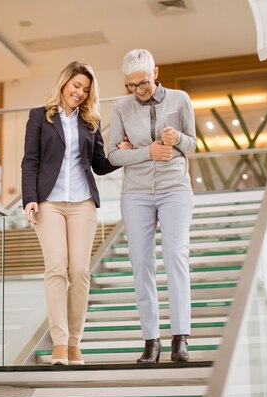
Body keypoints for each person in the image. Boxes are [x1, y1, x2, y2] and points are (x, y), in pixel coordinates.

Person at [21, 61, 129, 365]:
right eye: (76, 85)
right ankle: (59, 343)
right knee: (56, 269)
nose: (80, 93)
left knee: (80, 272)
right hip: (49, 203)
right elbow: (30, 160)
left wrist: (119, 153)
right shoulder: (39, 117)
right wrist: (29, 198)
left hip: (82, 203)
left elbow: (99, 165)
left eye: (86, 89)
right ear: (64, 82)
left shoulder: (90, 121)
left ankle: (75, 343)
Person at [108, 49, 197, 363]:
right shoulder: (121, 107)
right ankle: (151, 342)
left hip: (175, 189)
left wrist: (177, 141)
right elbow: (112, 155)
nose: (137, 91)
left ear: (155, 73)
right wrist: (149, 152)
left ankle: (181, 339)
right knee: (141, 264)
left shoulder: (180, 99)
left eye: (142, 84)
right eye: (130, 86)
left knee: (176, 257)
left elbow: (194, 143)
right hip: (136, 193)